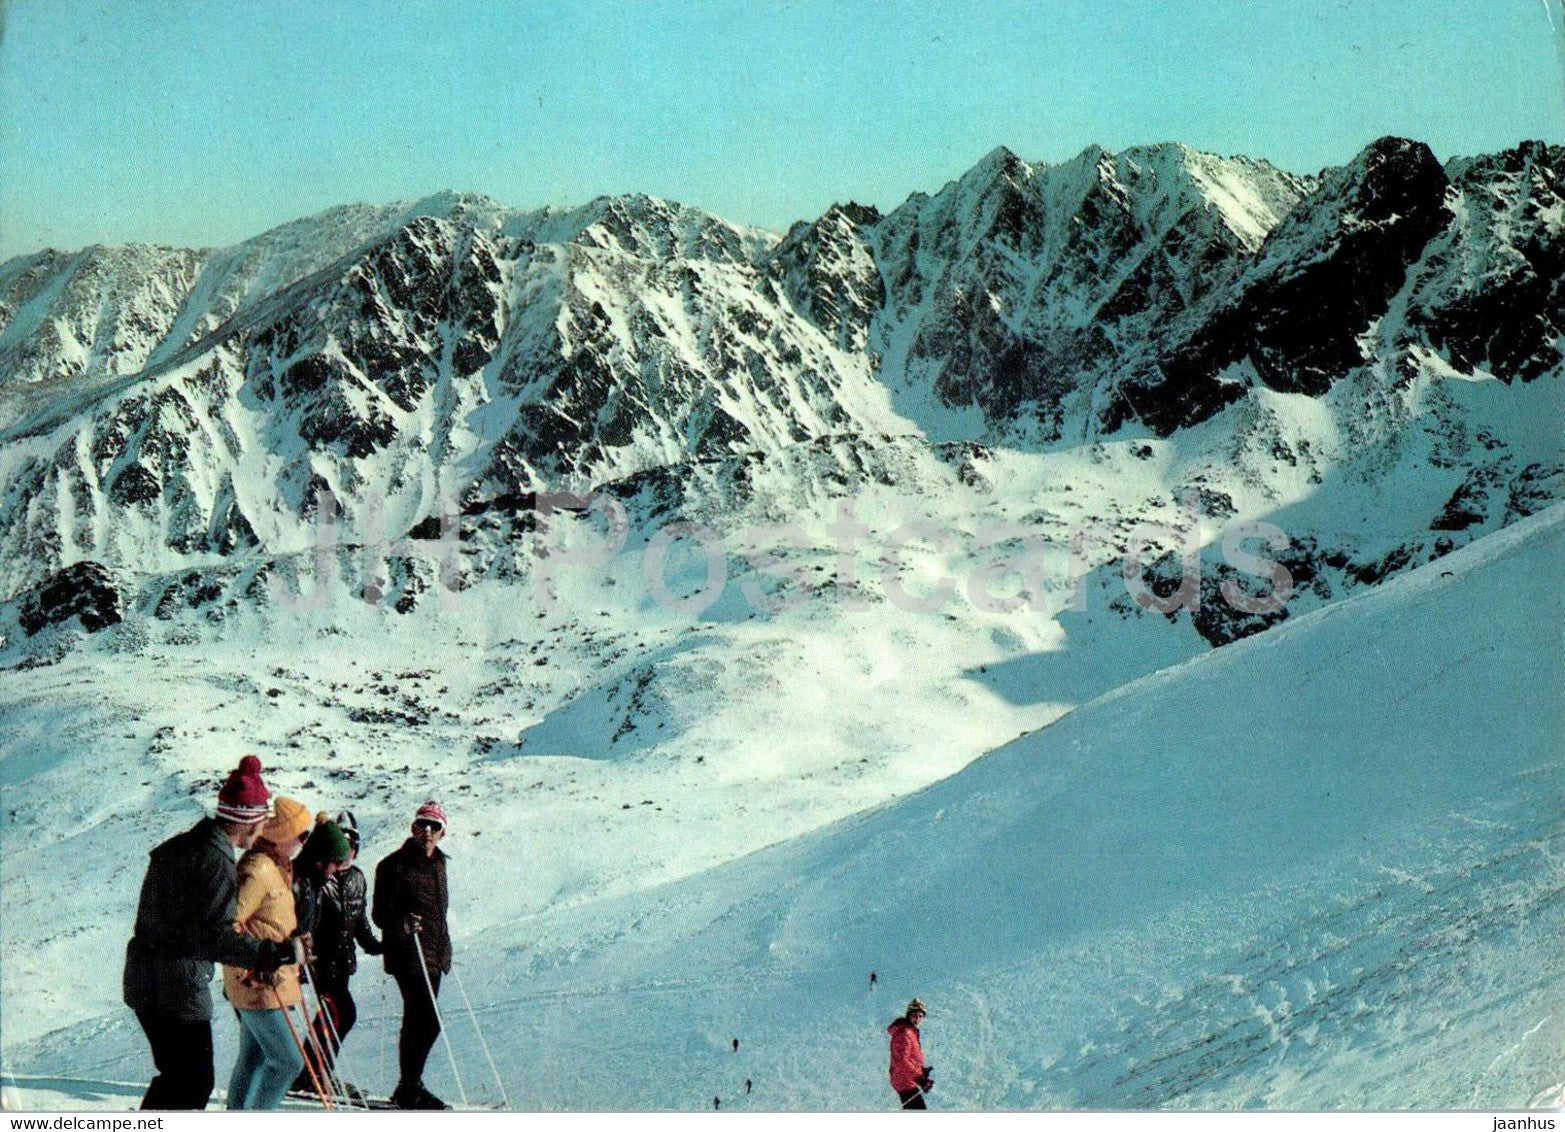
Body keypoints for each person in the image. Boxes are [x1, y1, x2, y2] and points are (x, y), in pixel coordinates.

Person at [123, 756, 297, 1110]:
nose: (262, 831)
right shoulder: (216, 861)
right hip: (178, 986)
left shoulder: (181, 846)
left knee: (177, 1078)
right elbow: (215, 938)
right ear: (249, 822)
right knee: (192, 1084)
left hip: (143, 978)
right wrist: (273, 953)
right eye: (261, 822)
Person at [223, 795, 314, 1110]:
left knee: (254, 1057)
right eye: (301, 834)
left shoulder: (276, 867)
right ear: (283, 834)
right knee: (289, 1061)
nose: (303, 841)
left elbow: (269, 920)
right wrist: (249, 967)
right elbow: (229, 925)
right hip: (257, 982)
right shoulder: (257, 868)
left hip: (268, 978)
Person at [292, 811, 381, 1098]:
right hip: (320, 961)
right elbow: (306, 920)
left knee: (334, 1015)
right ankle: (314, 1073)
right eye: (342, 844)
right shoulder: (319, 879)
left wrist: (374, 945)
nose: (346, 851)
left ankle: (310, 1072)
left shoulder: (357, 878)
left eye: (351, 844)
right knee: (342, 1013)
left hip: (343, 961)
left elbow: (359, 919)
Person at [373, 799, 452, 1110]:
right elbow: (379, 914)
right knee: (428, 1019)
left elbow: (439, 912)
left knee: (418, 1019)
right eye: (423, 824)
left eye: (435, 826)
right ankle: (409, 1085)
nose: (428, 831)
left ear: (443, 832)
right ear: (413, 827)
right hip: (407, 952)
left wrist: (444, 948)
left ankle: (409, 1085)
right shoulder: (393, 865)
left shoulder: (440, 864)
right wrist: (402, 923)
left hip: (434, 952)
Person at [887, 999, 932, 1110]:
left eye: (920, 1016)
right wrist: (919, 1079)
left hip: (907, 1079)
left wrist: (921, 1072)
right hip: (904, 1080)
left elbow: (910, 1058)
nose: (917, 1018)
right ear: (909, 1016)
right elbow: (901, 1061)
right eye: (914, 1015)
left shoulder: (911, 1032)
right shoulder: (905, 1033)